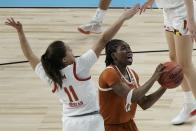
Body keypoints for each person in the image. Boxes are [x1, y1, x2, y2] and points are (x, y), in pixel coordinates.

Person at [5, 5, 140, 131]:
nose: (72, 50)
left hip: (69, 123)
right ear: (64, 59)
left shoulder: (50, 76)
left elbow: (29, 56)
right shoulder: (79, 67)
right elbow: (103, 39)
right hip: (91, 121)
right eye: (69, 50)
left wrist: (20, 32)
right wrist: (123, 17)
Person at [140, 0, 196, 130]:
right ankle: (189, 104)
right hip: (168, 11)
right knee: (174, 58)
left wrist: (191, 20)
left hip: (183, 13)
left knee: (185, 64)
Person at [99, 39, 167, 131]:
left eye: (129, 48)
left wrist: (165, 85)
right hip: (110, 127)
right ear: (114, 55)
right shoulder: (109, 73)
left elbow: (145, 103)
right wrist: (154, 77)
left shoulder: (133, 74)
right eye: (124, 48)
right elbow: (131, 97)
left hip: (129, 125)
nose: (129, 51)